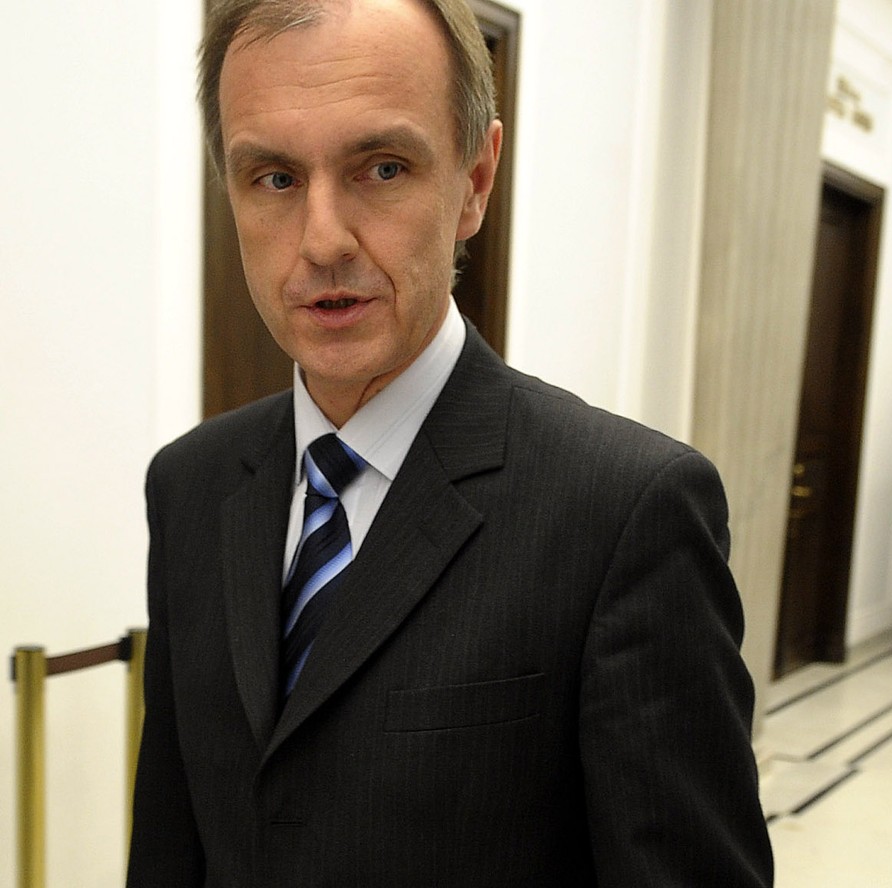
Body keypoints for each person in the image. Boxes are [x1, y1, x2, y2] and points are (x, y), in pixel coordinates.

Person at [126, 2, 773, 885]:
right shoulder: (191, 483)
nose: (322, 240)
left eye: (382, 168)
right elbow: (173, 835)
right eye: (274, 178)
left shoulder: (625, 512)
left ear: (475, 180)